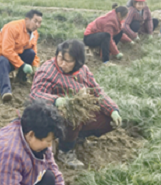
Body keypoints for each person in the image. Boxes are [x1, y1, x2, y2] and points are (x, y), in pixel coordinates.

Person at [30, 39, 122, 168]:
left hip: (78, 117)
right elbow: (35, 94)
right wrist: (56, 100)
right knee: (72, 113)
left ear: (77, 62)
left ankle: (77, 137)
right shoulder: (48, 70)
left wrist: (113, 109)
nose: (62, 63)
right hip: (55, 118)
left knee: (108, 120)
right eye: (60, 58)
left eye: (68, 61)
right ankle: (65, 150)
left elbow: (97, 92)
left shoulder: (83, 71)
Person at [0, 10, 43, 102]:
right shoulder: (12, 28)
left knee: (30, 53)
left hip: (14, 60)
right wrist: (22, 65)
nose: (37, 25)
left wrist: (35, 66)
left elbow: (34, 51)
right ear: (27, 19)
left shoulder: (34, 33)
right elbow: (7, 51)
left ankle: (21, 78)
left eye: (39, 22)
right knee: (3, 60)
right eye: (35, 21)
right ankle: (5, 91)